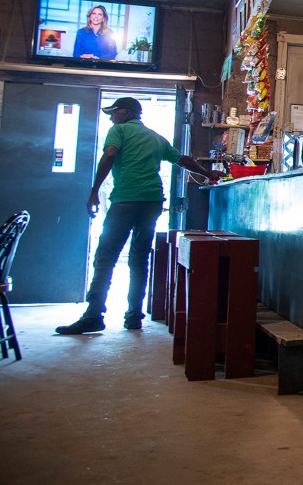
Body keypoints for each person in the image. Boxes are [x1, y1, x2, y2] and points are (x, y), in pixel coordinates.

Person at [55, 97, 223, 335]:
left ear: (125, 113)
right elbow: (181, 159)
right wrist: (207, 173)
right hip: (152, 201)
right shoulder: (154, 137)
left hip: (126, 200)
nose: (111, 117)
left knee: (105, 257)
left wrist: (94, 191)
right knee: (139, 257)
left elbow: (110, 154)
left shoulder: (118, 131)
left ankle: (93, 315)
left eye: (113, 113)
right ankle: (134, 316)